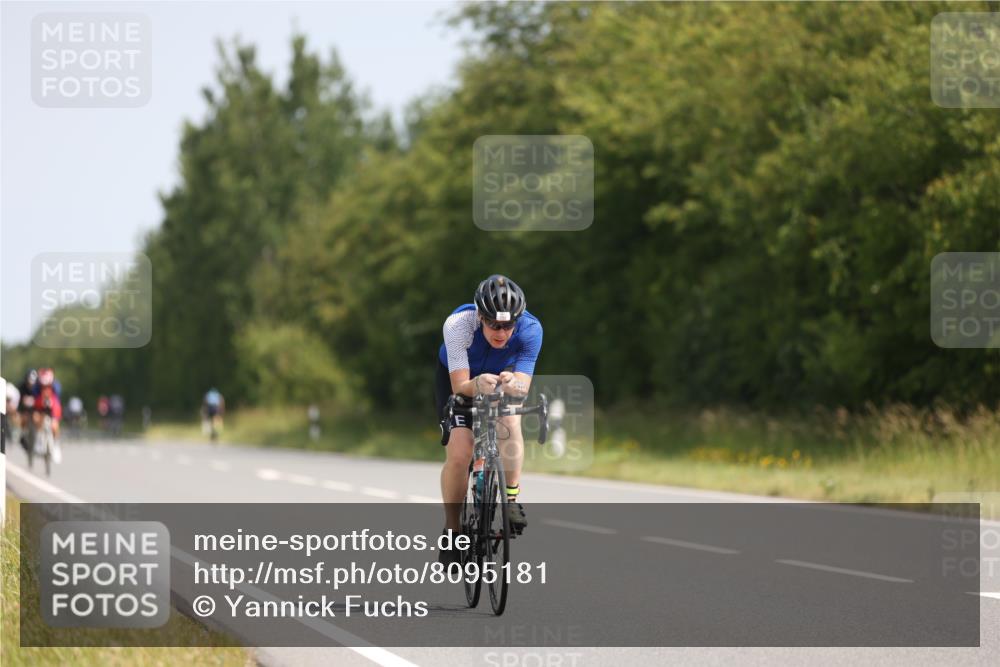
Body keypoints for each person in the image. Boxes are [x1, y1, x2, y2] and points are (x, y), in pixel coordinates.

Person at [435, 275, 542, 564]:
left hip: (498, 380)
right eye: (494, 324)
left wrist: (512, 383)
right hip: (461, 379)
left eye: (508, 325)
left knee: (510, 420)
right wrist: (477, 382)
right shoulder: (458, 325)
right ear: (480, 316)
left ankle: (511, 499)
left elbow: (522, 387)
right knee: (460, 453)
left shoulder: (531, 329)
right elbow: (460, 386)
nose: (501, 332)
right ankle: (453, 530)